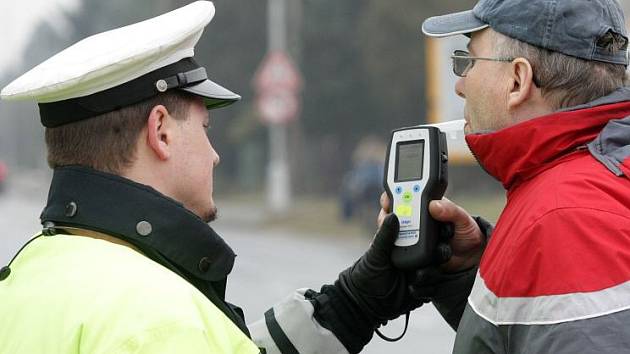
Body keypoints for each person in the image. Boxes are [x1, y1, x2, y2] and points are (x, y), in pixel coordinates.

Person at [0, 2, 436, 353]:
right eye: (205, 131)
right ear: (161, 131)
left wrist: (351, 306)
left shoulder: (23, 278)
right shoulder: (160, 321)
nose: (215, 155)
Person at [389, 0, 630, 352]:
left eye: (468, 61)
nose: (460, 85)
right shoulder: (594, 185)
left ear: (518, 80)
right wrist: (470, 271)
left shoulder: (565, 222)